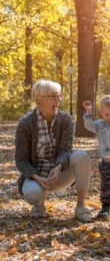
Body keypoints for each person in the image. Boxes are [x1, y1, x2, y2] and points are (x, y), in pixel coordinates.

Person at [15, 79, 93, 222]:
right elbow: (21, 160)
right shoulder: (25, 124)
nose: (59, 99)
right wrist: (37, 178)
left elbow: (65, 149)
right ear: (41, 99)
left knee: (82, 156)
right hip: (36, 176)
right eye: (54, 96)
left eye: (60, 96)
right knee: (33, 194)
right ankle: (38, 205)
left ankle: (80, 207)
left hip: (60, 174)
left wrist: (58, 168)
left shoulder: (65, 120)